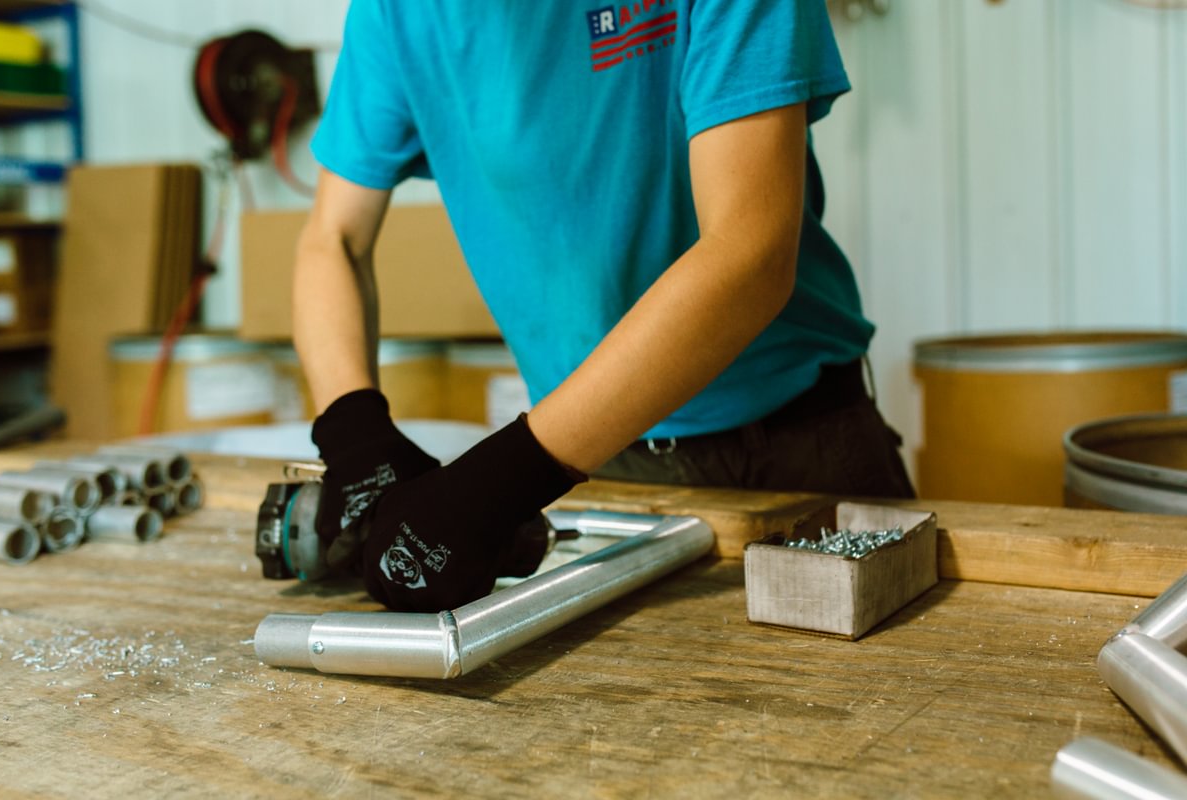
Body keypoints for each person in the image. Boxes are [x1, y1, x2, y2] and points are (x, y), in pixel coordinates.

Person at [292, 0, 914, 613]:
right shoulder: (397, 13)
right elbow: (334, 240)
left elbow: (750, 254)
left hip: (793, 451)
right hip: (590, 467)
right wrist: (355, 436)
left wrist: (495, 484)